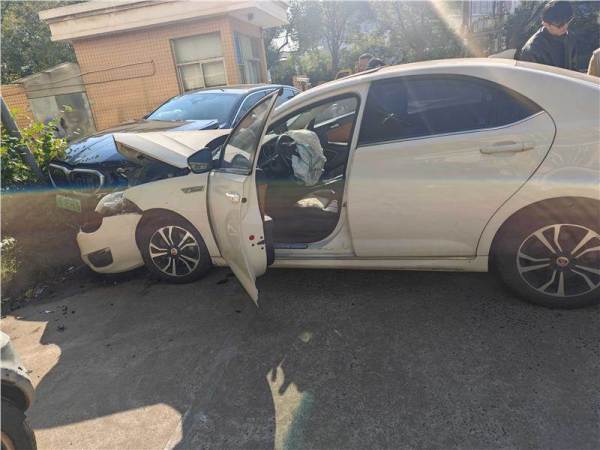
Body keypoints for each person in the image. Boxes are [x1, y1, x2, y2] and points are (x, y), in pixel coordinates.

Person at [518, 0, 577, 70]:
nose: (565, 26)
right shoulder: (532, 50)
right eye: (560, 24)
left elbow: (573, 68)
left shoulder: (569, 38)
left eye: (568, 21)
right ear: (546, 24)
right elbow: (530, 75)